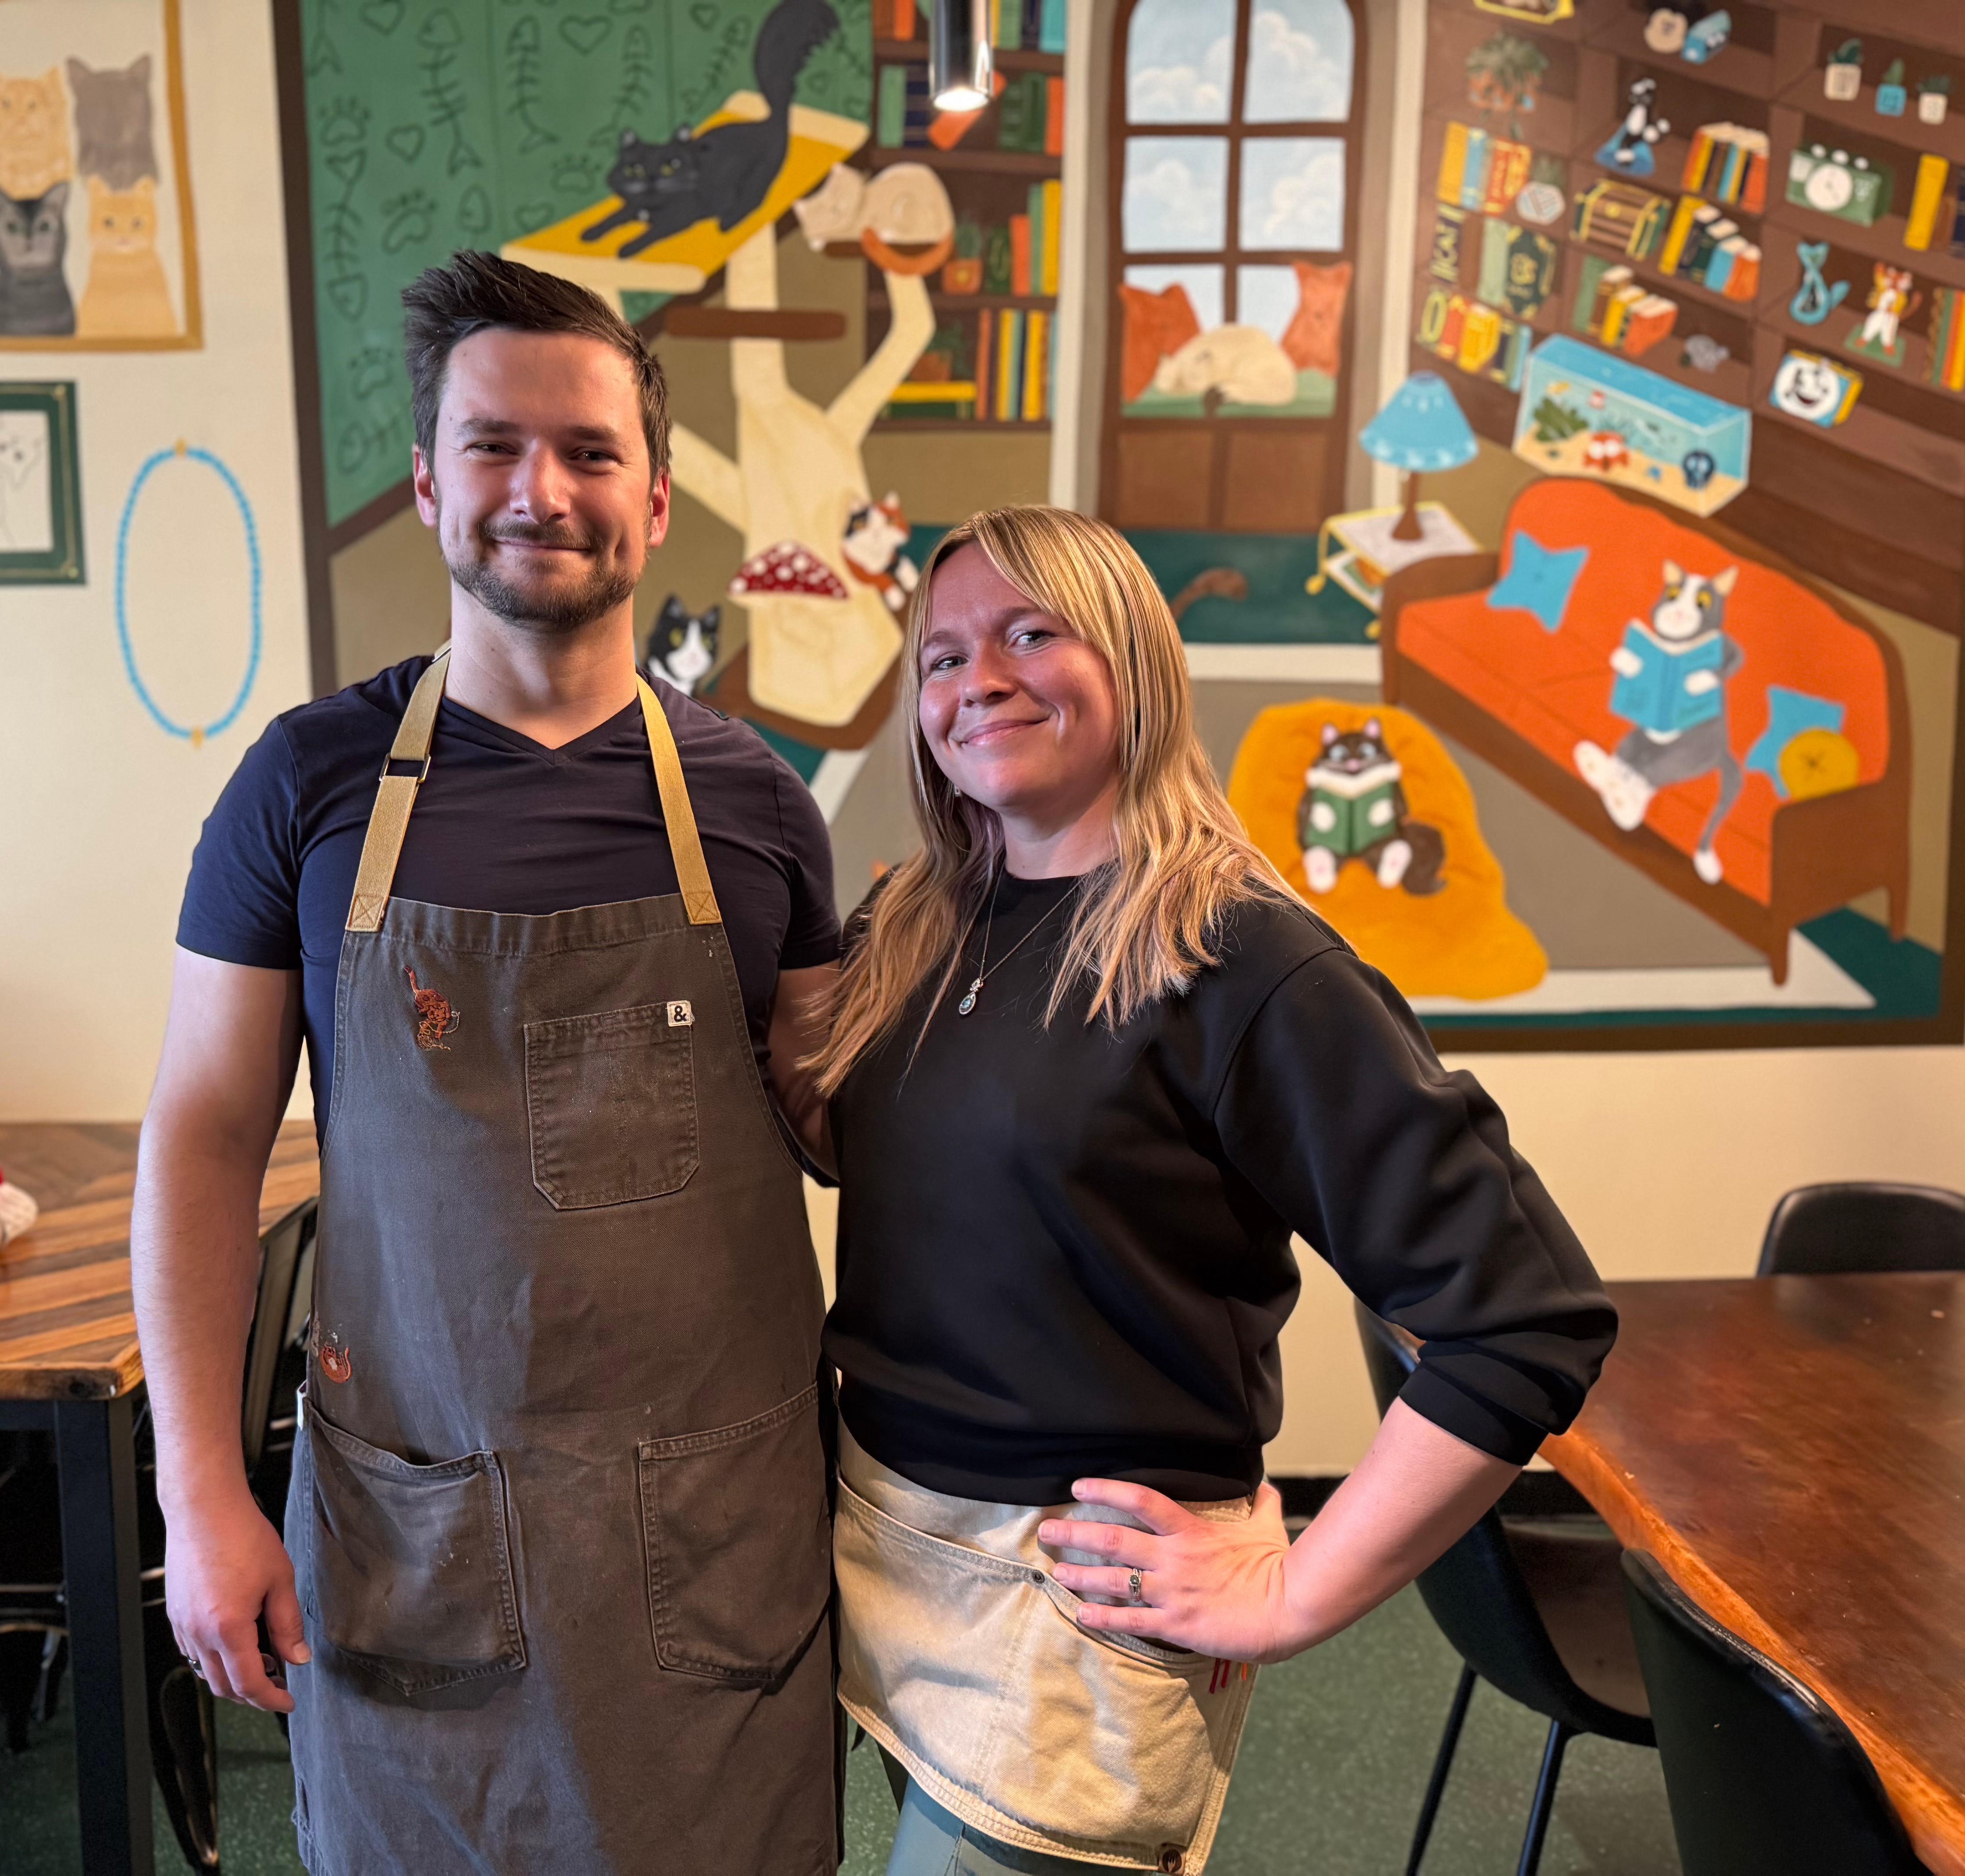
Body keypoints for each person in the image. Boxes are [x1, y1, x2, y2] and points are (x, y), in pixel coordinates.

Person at [133, 251, 844, 1874]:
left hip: (716, 1543)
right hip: (422, 1532)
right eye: (495, 445)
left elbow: (841, 1124)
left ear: (655, 498)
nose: (543, 490)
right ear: (426, 485)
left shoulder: (756, 807)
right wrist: (199, 1492)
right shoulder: (305, 786)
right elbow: (204, 1136)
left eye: (590, 451)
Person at [812, 506, 1616, 1876]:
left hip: (1073, 1590)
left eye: (1030, 633)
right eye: (943, 656)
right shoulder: (911, 925)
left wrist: (1298, 1588)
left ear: (1131, 658)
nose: (978, 679)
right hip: (883, 1531)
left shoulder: (1244, 959)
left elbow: (1523, 1318)